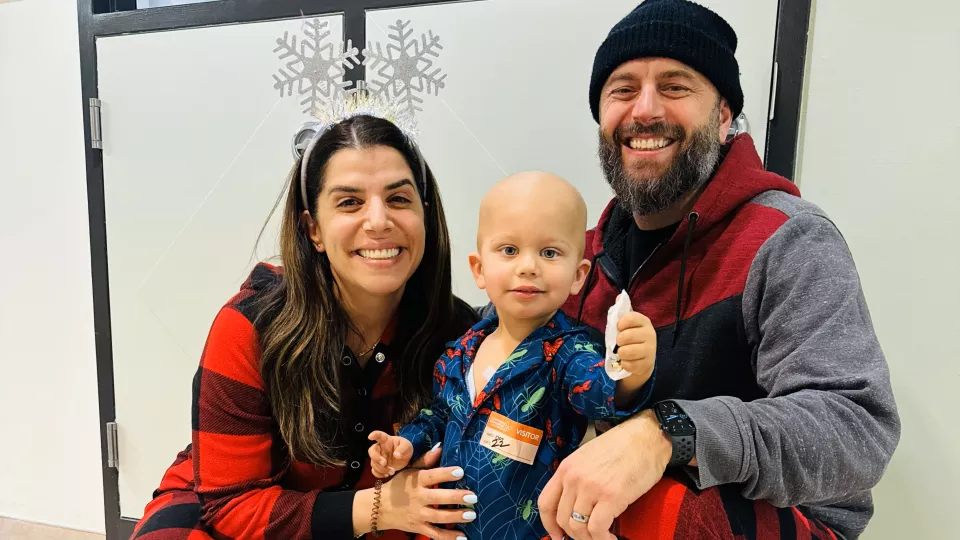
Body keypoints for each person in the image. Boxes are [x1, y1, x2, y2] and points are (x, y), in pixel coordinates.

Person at [533, 1, 901, 539]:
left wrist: (669, 432)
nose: (645, 111)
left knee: (662, 510)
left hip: (773, 517)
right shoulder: (579, 258)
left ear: (724, 116)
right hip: (606, 513)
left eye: (676, 86)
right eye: (623, 89)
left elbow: (856, 428)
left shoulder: (788, 240)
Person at [130, 108, 486, 540]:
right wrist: (376, 508)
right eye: (350, 202)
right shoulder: (250, 325)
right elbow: (229, 503)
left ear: (425, 216)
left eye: (398, 199)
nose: (379, 221)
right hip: (234, 511)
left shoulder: (462, 334)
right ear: (313, 229)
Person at [366, 172, 657, 539]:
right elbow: (440, 416)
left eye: (549, 252)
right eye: (509, 250)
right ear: (479, 269)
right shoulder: (459, 352)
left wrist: (631, 368)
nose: (528, 266)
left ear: (578, 276)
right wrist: (405, 443)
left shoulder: (568, 353)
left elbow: (602, 395)